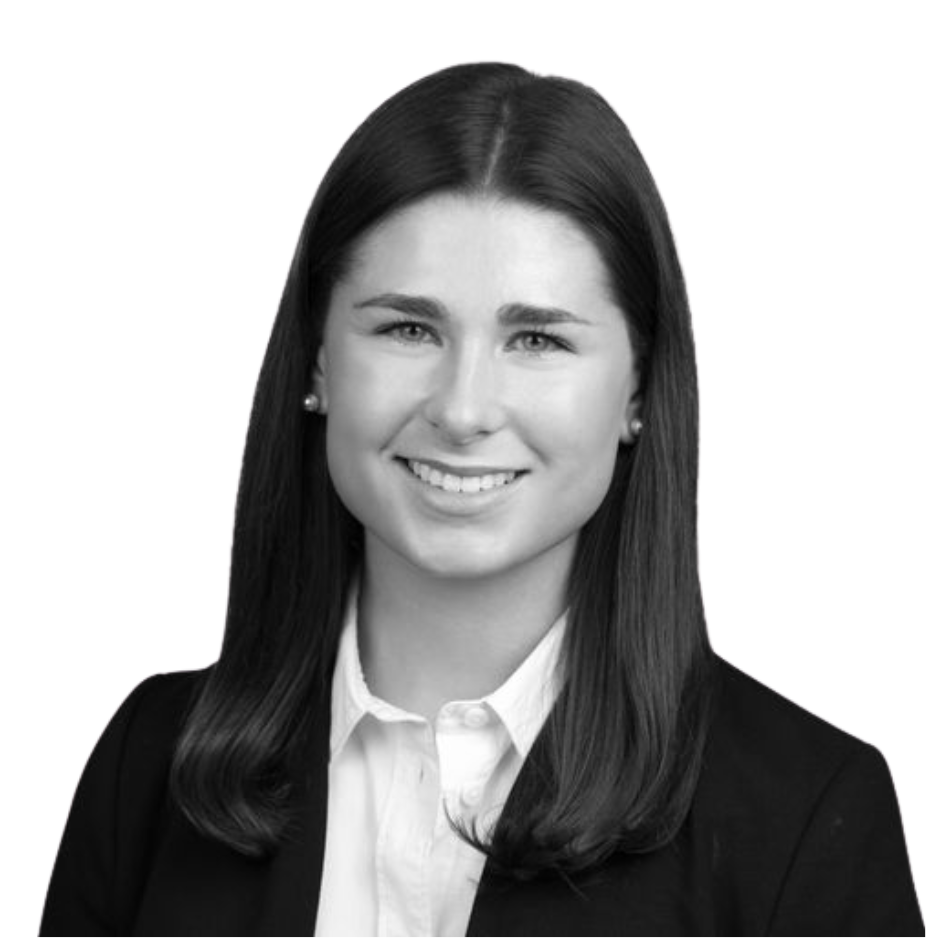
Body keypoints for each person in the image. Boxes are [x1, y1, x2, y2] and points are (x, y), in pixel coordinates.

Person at [37, 61, 924, 938]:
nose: (462, 411)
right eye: (408, 328)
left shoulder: (806, 819)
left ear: (638, 391)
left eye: (536, 339)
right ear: (318, 361)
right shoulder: (147, 767)